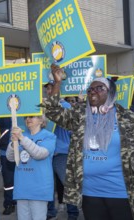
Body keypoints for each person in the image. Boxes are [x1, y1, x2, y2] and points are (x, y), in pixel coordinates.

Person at [40, 64, 134, 220]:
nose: (92, 91)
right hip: (90, 193)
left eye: (99, 88)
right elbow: (52, 111)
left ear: (110, 93)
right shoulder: (79, 116)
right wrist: (57, 82)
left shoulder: (129, 119)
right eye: (90, 90)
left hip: (121, 192)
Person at [6, 115, 56, 220]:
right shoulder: (21, 135)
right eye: (26, 117)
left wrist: (22, 138)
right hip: (22, 188)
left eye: (32, 116)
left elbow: (39, 154)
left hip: (39, 189)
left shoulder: (49, 136)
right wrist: (12, 143)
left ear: (41, 120)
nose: (28, 119)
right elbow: (10, 158)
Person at [44, 81, 79, 220]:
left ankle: (73, 213)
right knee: (48, 184)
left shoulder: (65, 106)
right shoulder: (46, 107)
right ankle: (50, 211)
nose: (48, 91)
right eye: (47, 89)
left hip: (61, 153)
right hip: (48, 153)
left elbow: (72, 130)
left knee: (67, 184)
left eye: (50, 88)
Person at [0, 117, 16, 215]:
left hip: (23, 150)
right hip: (5, 151)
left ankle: (21, 202)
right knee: (8, 181)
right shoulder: (1, 110)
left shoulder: (24, 109)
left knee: (23, 178)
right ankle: (9, 203)